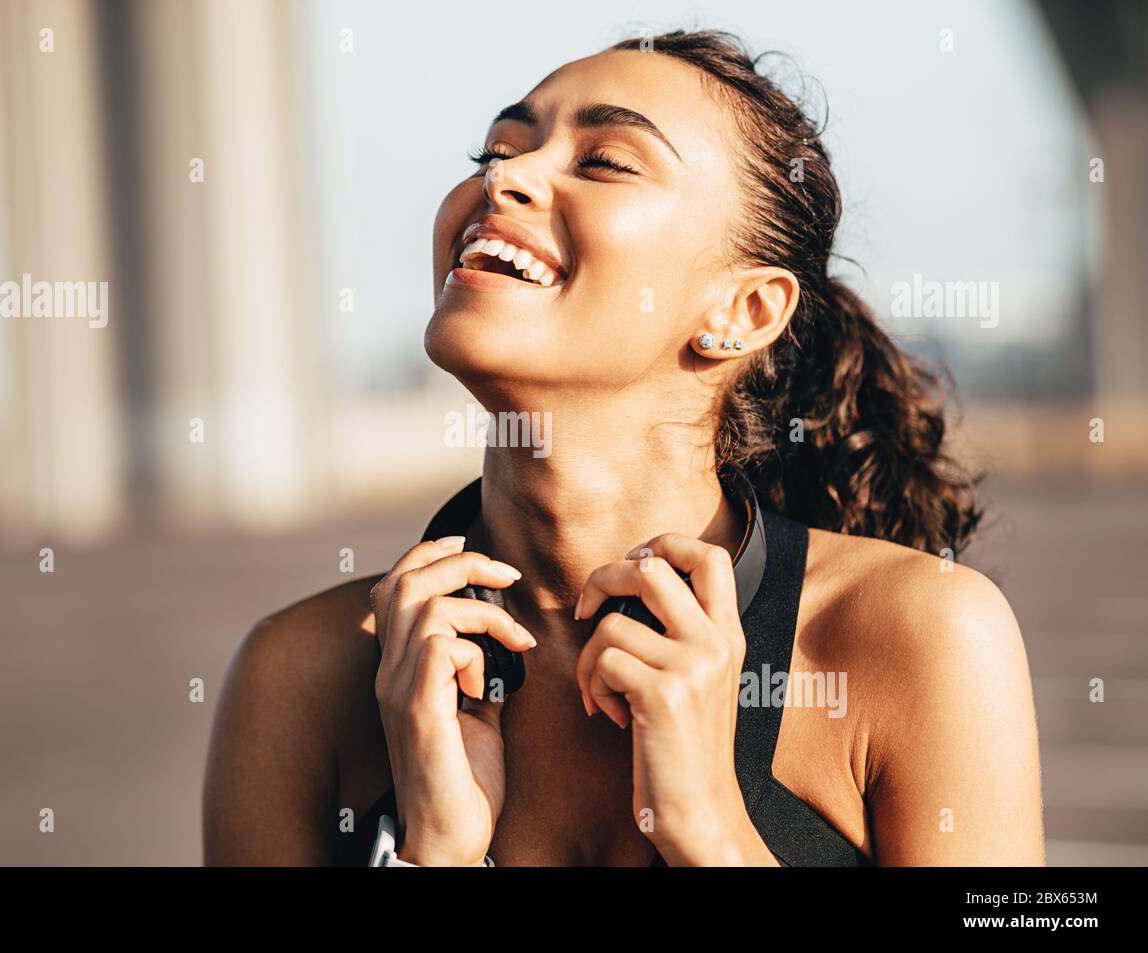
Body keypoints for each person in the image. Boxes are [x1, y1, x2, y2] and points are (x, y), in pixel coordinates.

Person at [202, 29, 1044, 866]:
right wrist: (433, 856)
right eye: (495, 149)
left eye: (605, 161)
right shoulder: (299, 679)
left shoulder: (921, 636)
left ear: (743, 314)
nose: (504, 176)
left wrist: (712, 834)